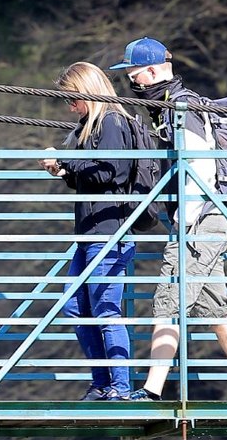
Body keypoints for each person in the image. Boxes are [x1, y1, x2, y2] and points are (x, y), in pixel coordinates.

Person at [108, 36, 227, 402]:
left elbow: (200, 165)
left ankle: (152, 391)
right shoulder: (172, 107)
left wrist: (184, 223)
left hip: (197, 223)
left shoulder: (180, 108)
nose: (131, 81)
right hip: (207, 221)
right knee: (219, 310)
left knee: (168, 303)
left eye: (133, 73)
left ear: (151, 71)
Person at [41, 61, 155, 401]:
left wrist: (65, 161)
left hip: (111, 230)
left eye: (72, 99)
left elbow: (112, 172)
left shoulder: (112, 122)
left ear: (86, 91)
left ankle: (117, 386)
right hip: (89, 232)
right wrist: (63, 171)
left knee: (105, 309)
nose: (70, 107)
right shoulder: (87, 128)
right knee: (76, 307)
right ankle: (103, 382)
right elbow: (89, 177)